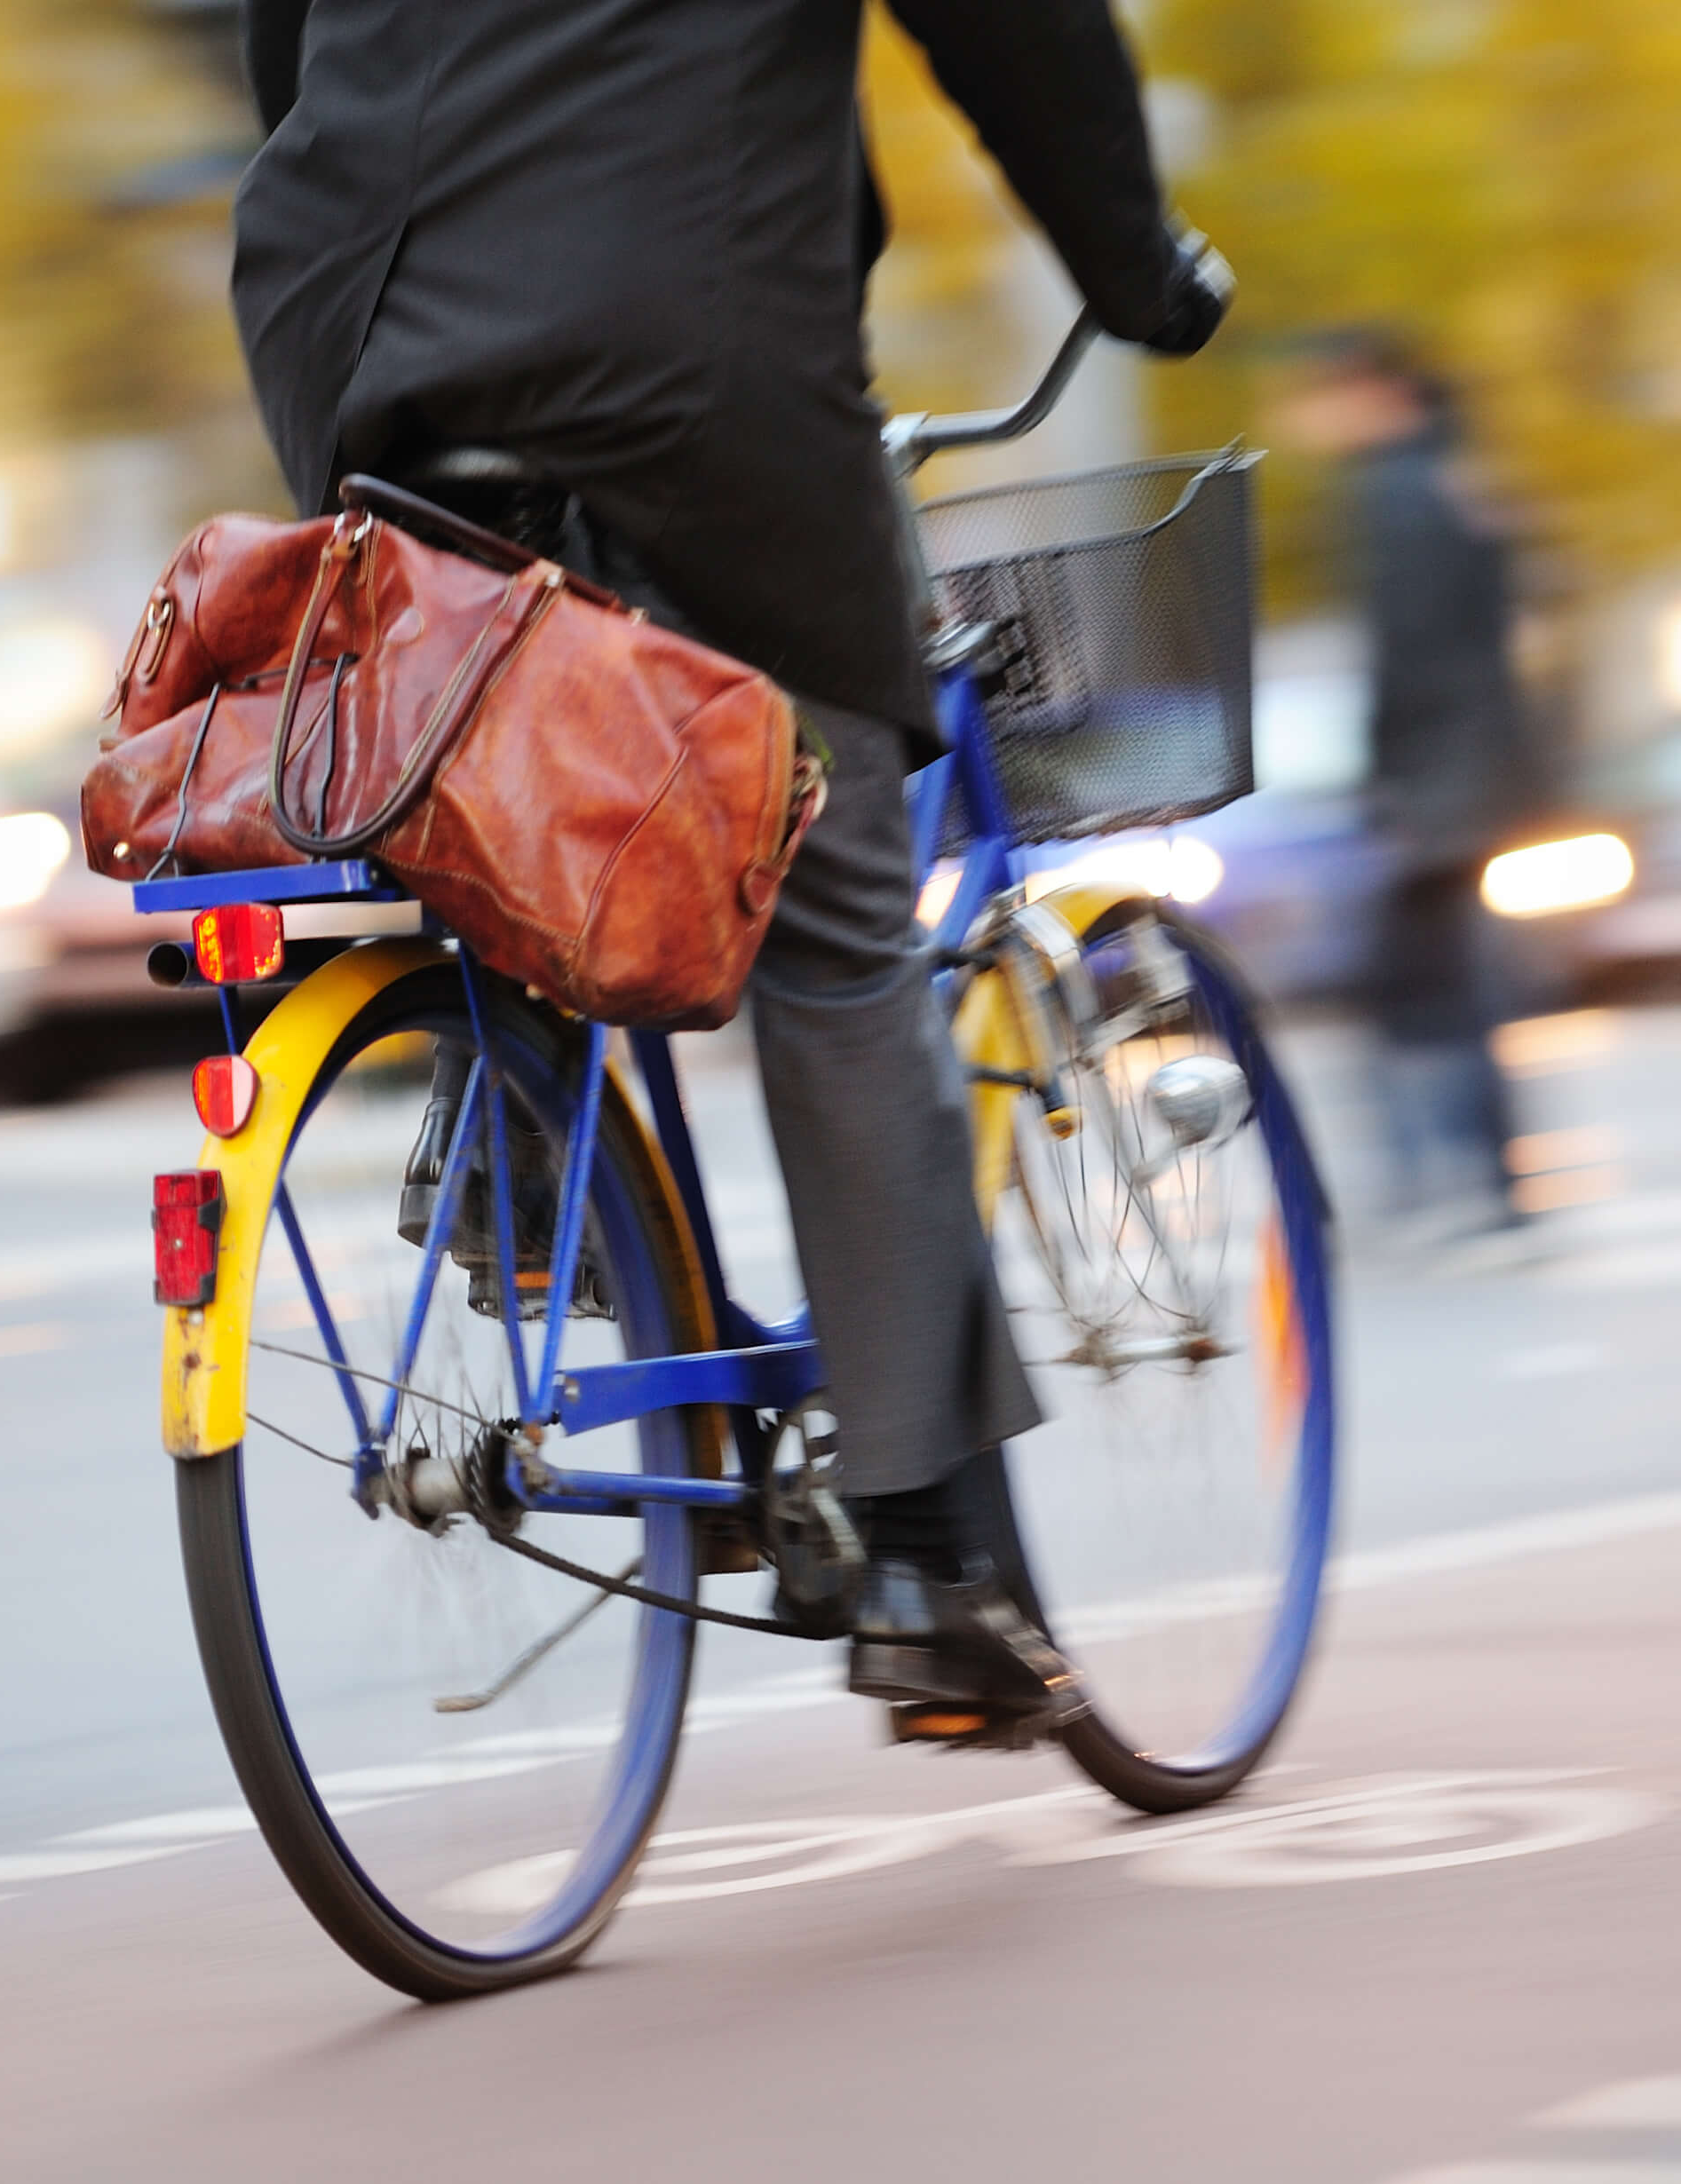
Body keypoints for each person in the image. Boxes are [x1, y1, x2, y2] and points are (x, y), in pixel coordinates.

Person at [228, 1, 1229, 1719]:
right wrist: (1138, 266)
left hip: (349, 320)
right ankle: (922, 1550)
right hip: (672, 331)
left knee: (501, 736)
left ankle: (523, 1165)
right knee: (833, 911)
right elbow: (1017, 26)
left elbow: (280, 35)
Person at [1276, 334, 1538, 1234]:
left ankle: (1454, 1188)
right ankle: (1474, 1187)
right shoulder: (1458, 482)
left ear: (1376, 392)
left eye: (1323, 393)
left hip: (1434, 779)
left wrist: (1391, 781)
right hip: (1472, 771)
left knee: (1412, 984)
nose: (1311, 416)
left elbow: (1410, 654)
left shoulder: (1393, 494)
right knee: (1446, 981)